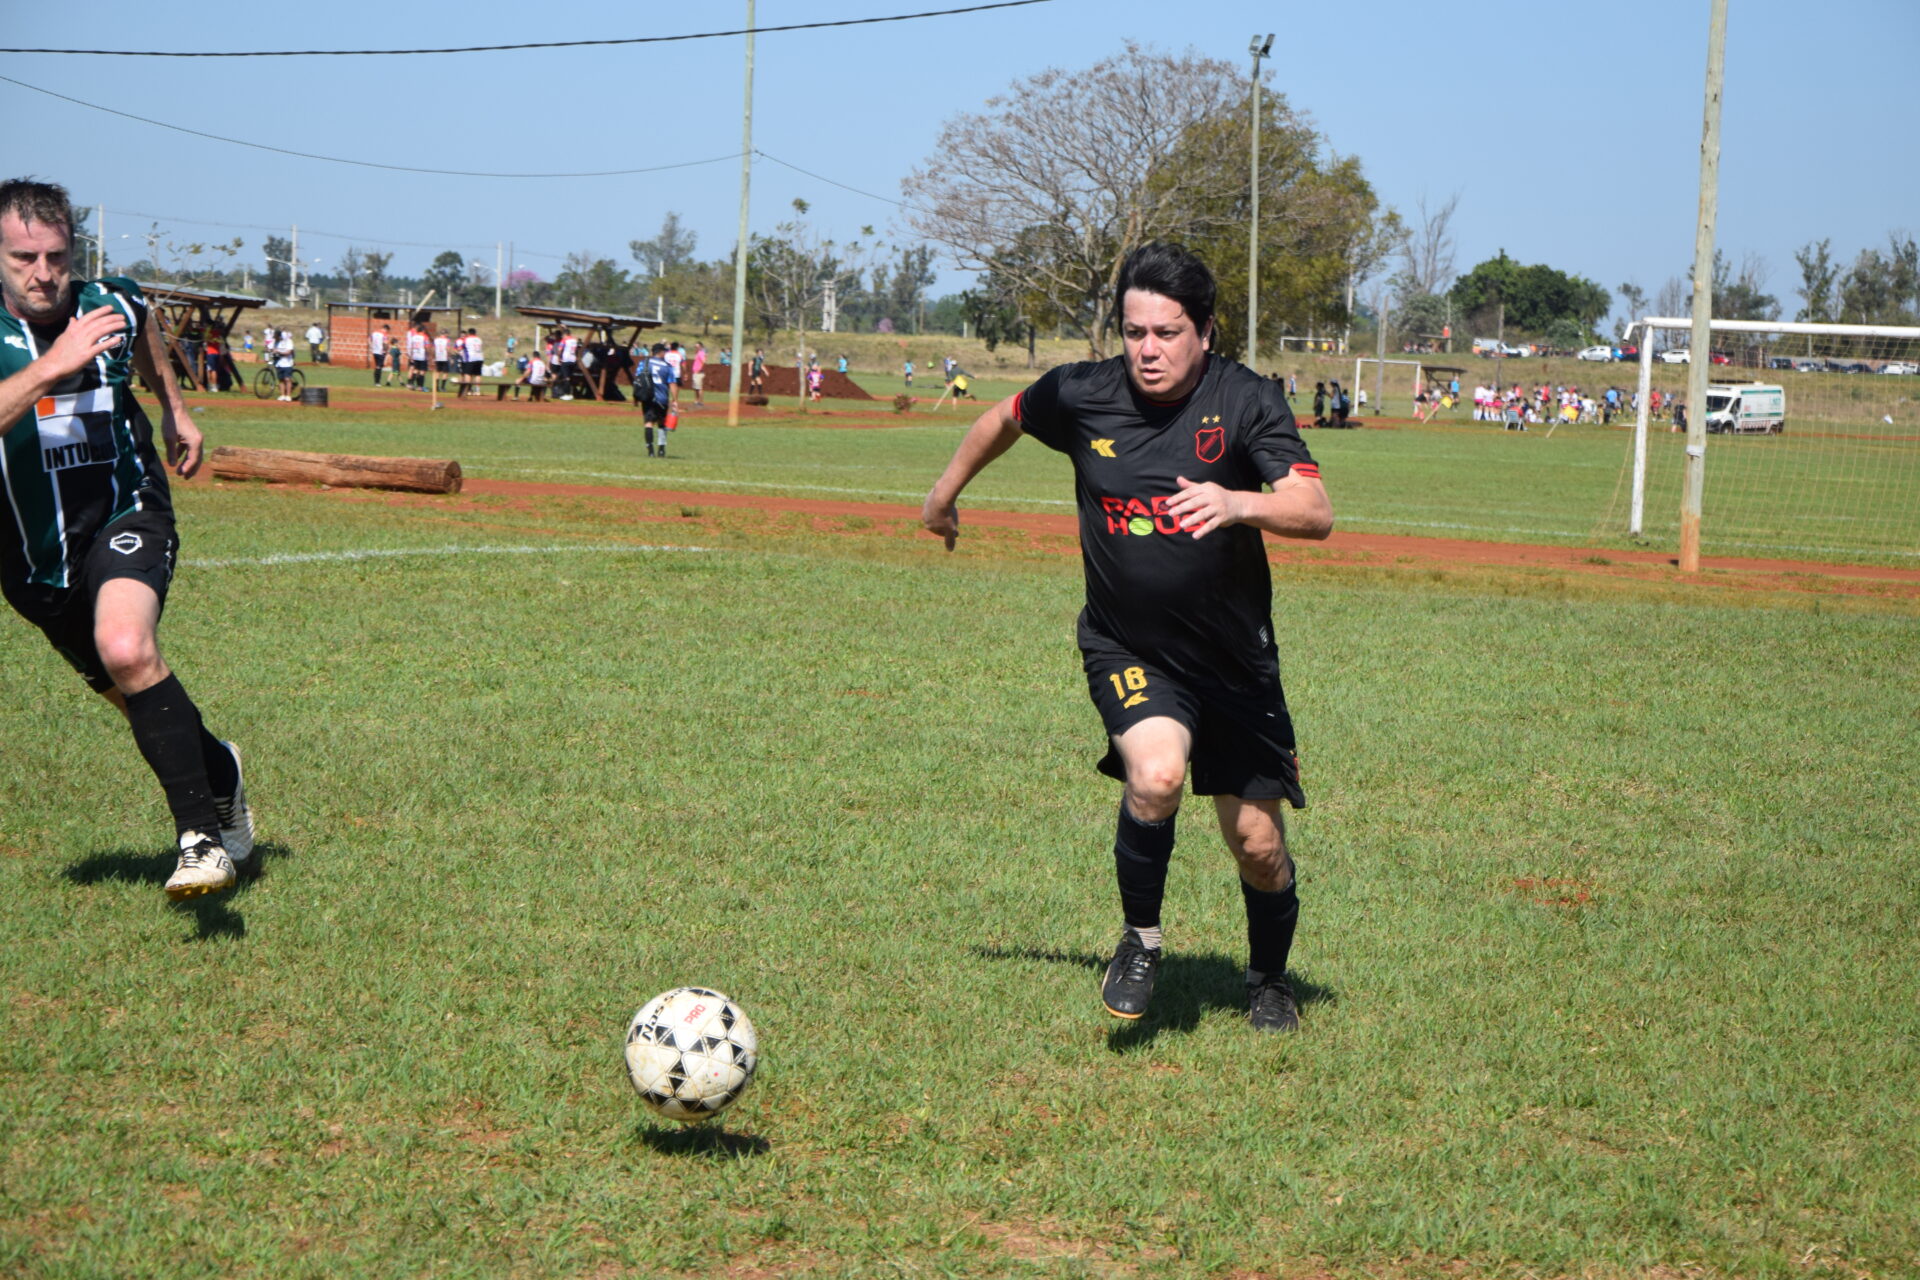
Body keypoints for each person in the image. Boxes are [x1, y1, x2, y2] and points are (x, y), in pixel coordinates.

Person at [920, 241, 1332, 1033]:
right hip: (1128, 647)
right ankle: (1141, 940)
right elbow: (1001, 418)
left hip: (1235, 662)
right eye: (1135, 331)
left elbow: (1314, 512)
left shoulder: (1245, 400)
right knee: (1156, 775)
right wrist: (942, 496)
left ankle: (1269, 978)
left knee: (1257, 846)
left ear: (1204, 331)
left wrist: (1237, 503)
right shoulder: (1084, 393)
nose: (1148, 349)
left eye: (1167, 333)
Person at [0, 178, 254, 900]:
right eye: (23, 258)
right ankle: (221, 771)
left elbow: (142, 324)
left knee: (127, 646)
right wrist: (54, 365)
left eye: (56, 257)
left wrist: (174, 408)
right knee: (133, 692)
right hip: (33, 559)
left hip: (125, 510)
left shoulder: (107, 300)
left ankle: (200, 841)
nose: (43, 274)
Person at [641, 341, 672, 456]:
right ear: (661, 352)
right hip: (662, 398)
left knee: (648, 422)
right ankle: (661, 449)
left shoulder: (645, 363)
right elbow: (672, 382)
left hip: (647, 397)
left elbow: (638, 378)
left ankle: (650, 450)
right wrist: (675, 400)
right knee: (661, 423)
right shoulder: (667, 366)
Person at [273, 327, 296, 400]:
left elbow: (288, 352)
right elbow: (275, 349)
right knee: (281, 379)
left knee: (287, 379)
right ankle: (282, 395)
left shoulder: (289, 342)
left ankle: (288, 395)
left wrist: (279, 352)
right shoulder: (279, 342)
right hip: (280, 363)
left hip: (287, 363)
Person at [690, 341, 707, 407]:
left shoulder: (701, 353)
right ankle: (697, 401)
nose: (696, 348)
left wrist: (699, 370)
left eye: (697, 347)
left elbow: (704, 362)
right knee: (696, 387)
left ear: (701, 347)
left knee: (699, 388)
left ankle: (700, 402)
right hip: (695, 372)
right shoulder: (697, 353)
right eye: (695, 347)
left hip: (698, 373)